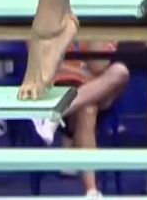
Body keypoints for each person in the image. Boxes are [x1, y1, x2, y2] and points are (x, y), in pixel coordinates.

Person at [32, 42, 130, 198]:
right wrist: (81, 74)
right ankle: (91, 191)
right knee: (87, 108)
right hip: (60, 89)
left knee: (120, 72)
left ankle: (54, 113)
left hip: (96, 92)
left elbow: (98, 66)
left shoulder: (102, 20)